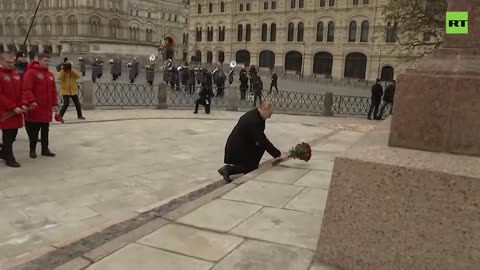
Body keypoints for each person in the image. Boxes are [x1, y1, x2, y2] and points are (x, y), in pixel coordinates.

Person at [217, 102, 288, 182]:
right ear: (265, 109)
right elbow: (262, 140)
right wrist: (278, 154)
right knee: (249, 167)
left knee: (260, 147)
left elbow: (260, 138)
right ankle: (228, 169)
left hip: (243, 145)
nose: (270, 116)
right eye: (270, 113)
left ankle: (251, 165)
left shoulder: (257, 115)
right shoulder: (254, 120)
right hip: (236, 149)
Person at [0, 52, 36, 167]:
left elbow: (21, 90)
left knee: (13, 133)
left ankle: (4, 153)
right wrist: (12, 107)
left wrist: (23, 104)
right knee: (8, 134)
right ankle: (9, 158)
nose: (11, 64)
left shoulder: (15, 73)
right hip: (5, 111)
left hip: (16, 110)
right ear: (1, 61)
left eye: (13, 62)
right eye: (8, 62)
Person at [22, 54, 58, 158]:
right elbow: (27, 89)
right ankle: (32, 150)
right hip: (35, 107)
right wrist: (31, 101)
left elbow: (53, 91)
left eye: (48, 61)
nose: (47, 63)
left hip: (46, 108)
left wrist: (54, 104)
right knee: (34, 131)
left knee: (45, 130)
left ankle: (45, 149)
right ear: (39, 61)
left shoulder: (50, 75)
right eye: (45, 60)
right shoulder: (31, 73)